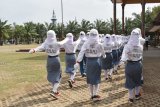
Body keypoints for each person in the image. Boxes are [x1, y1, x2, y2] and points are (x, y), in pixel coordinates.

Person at [29, 30, 67, 99]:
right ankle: (53, 90)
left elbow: (39, 47)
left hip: (49, 60)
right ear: (54, 35)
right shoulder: (56, 43)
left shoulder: (45, 43)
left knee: (51, 75)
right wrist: (67, 38)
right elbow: (63, 42)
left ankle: (55, 91)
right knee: (58, 75)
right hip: (56, 59)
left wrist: (34, 50)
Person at [74, 29, 106, 101]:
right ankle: (95, 94)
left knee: (90, 79)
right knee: (97, 79)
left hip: (89, 62)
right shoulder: (99, 44)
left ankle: (92, 95)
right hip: (97, 62)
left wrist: (78, 61)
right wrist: (104, 56)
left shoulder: (86, 43)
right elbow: (103, 53)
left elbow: (81, 52)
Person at [121, 29, 143, 103]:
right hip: (138, 65)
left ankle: (130, 98)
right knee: (138, 80)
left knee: (130, 81)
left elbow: (124, 55)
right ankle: (137, 95)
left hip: (129, 65)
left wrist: (122, 61)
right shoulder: (141, 46)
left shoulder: (127, 46)